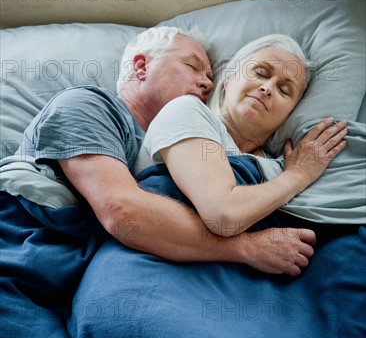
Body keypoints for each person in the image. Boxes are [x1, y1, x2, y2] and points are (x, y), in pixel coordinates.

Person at [0, 27, 318, 277]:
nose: (206, 83)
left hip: (63, 279)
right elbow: (123, 212)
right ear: (141, 66)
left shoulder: (168, 148)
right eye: (193, 67)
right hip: (17, 255)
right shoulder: (87, 105)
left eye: (210, 76)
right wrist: (247, 248)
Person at [134, 33, 348, 272]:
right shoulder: (187, 111)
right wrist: (299, 175)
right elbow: (223, 214)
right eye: (261, 73)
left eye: (284, 90)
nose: (267, 88)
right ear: (229, 79)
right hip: (155, 270)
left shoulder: (277, 166)